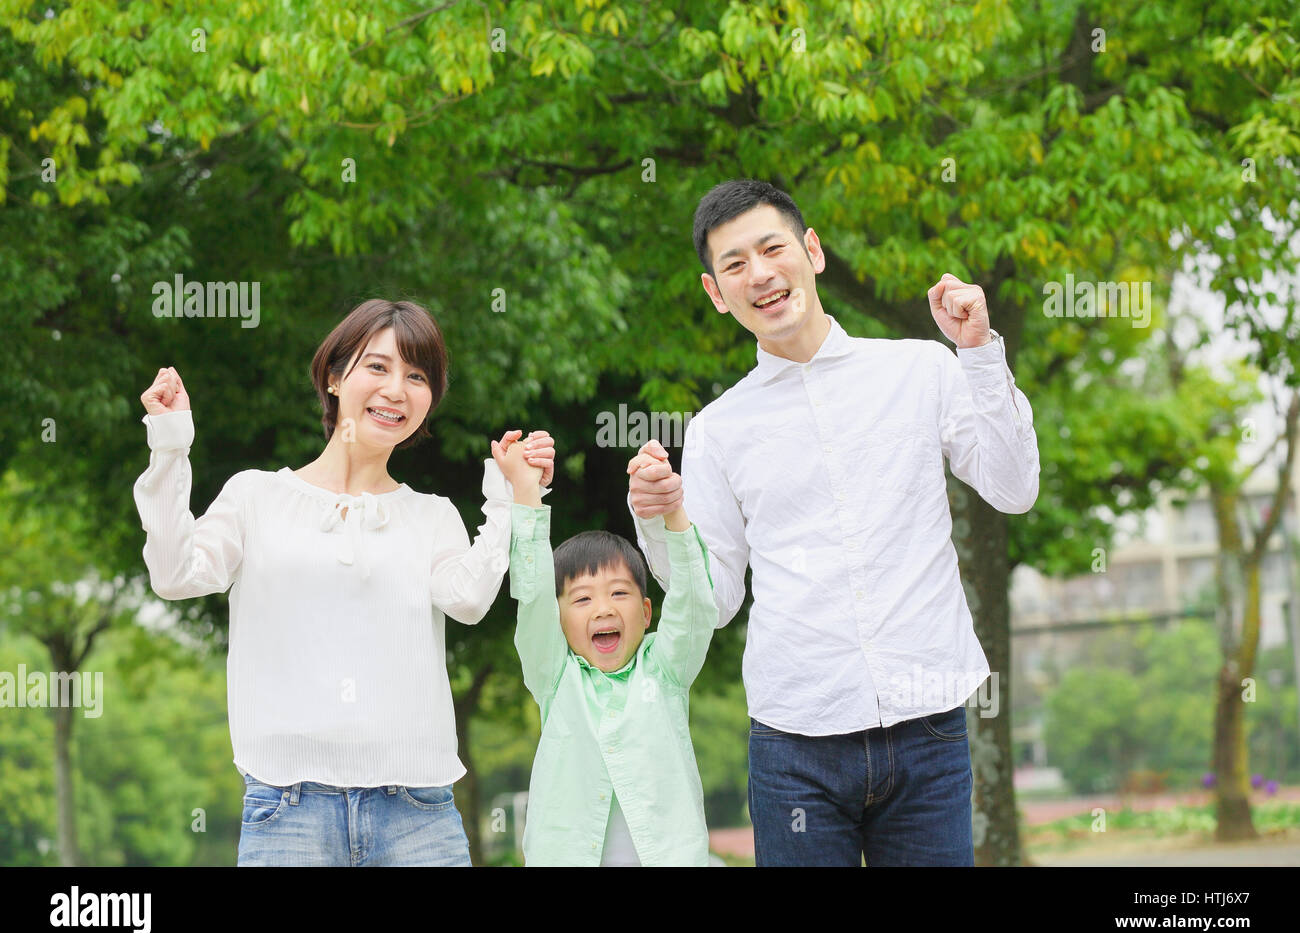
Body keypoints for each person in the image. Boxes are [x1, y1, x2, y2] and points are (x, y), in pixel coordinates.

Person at [628, 180, 1040, 866]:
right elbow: (715, 601)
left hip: (928, 731)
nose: (759, 274)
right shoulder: (717, 432)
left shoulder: (919, 369)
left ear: (811, 251)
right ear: (715, 291)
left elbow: (1014, 487)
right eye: (735, 264)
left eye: (772, 248)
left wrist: (980, 353)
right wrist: (660, 519)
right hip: (795, 744)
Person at [133, 299, 555, 866]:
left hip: (418, 817)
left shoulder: (431, 516)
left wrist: (509, 497)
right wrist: (169, 444)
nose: (397, 390)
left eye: (417, 376)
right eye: (377, 367)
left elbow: (471, 601)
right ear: (335, 378)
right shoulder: (256, 497)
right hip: (289, 813)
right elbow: (173, 573)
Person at [501, 438, 717, 865]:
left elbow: (694, 602)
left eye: (619, 593)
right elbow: (533, 595)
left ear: (647, 611)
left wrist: (670, 508)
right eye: (581, 600)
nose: (603, 608)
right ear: (558, 622)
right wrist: (526, 493)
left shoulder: (666, 670)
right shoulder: (555, 676)